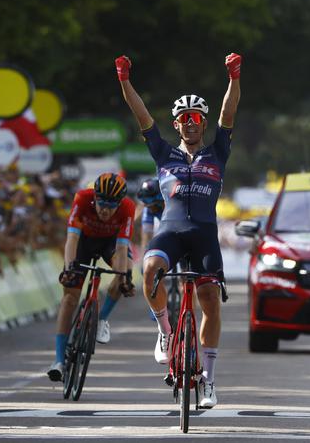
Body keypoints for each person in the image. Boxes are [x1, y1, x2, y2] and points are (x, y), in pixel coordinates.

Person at [115, 53, 241, 408]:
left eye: (196, 118)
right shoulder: (163, 154)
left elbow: (228, 114)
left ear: (202, 123)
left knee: (211, 302)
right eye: (184, 119)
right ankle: (165, 332)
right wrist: (125, 80)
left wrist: (234, 77)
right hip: (171, 230)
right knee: (150, 270)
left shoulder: (217, 152)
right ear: (177, 125)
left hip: (203, 233)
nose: (190, 124)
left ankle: (211, 382)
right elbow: (142, 116)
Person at [47, 172, 136, 382]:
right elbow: (71, 240)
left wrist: (122, 277)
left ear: (120, 203)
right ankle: (59, 360)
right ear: (95, 197)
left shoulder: (128, 208)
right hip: (83, 242)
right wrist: (69, 268)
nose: (105, 210)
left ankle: (102, 319)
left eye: (111, 205)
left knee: (124, 272)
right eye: (102, 203)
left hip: (111, 244)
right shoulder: (82, 199)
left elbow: (122, 250)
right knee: (69, 299)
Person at [136, 177, 164, 259]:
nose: (149, 209)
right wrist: (145, 258)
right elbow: (147, 237)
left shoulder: (171, 204)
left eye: (152, 206)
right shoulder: (148, 209)